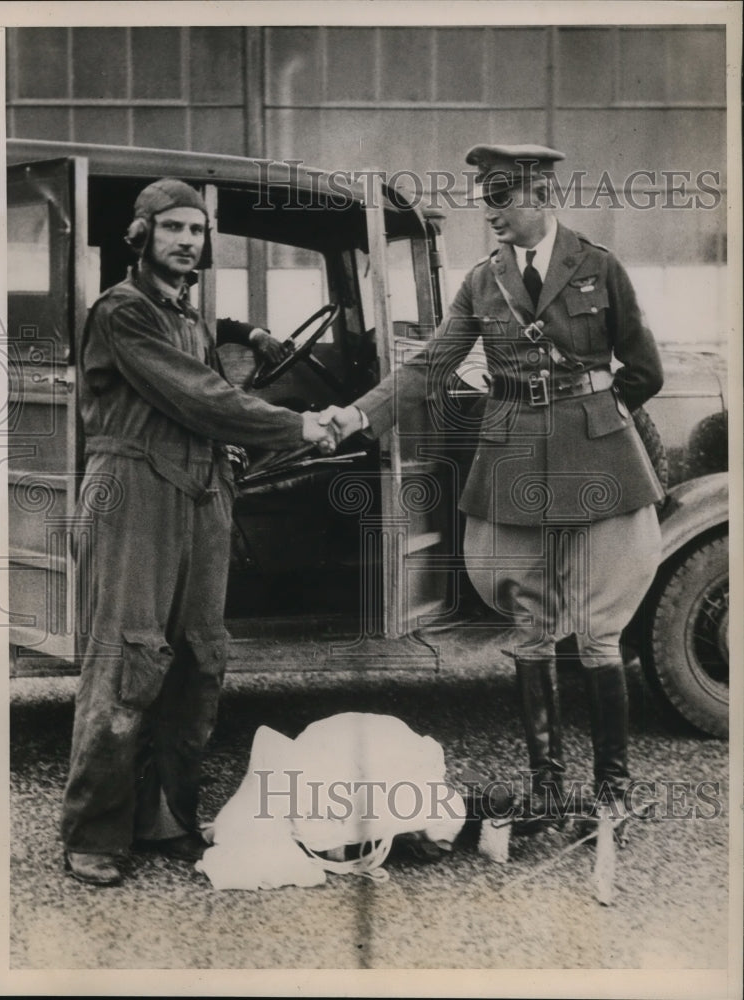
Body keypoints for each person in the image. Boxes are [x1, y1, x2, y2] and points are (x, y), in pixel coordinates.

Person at [320, 143, 665, 821]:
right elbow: (430, 366)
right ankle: (545, 783)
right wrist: (359, 414)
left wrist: (599, 412)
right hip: (513, 467)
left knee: (597, 634)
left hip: (598, 466)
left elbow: (644, 368)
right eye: (486, 200)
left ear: (541, 196)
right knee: (531, 629)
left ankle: (612, 787)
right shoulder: (482, 282)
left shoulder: (598, 267)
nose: (492, 214)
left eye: (502, 199)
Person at [61, 178, 334, 886]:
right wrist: (298, 423)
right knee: (125, 661)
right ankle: (94, 833)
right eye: (174, 227)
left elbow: (211, 403)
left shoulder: (189, 316)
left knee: (197, 658)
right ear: (142, 234)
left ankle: (167, 821)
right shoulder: (122, 312)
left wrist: (236, 447)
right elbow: (198, 395)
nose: (188, 240)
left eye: (198, 230)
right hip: (133, 496)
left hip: (200, 493)